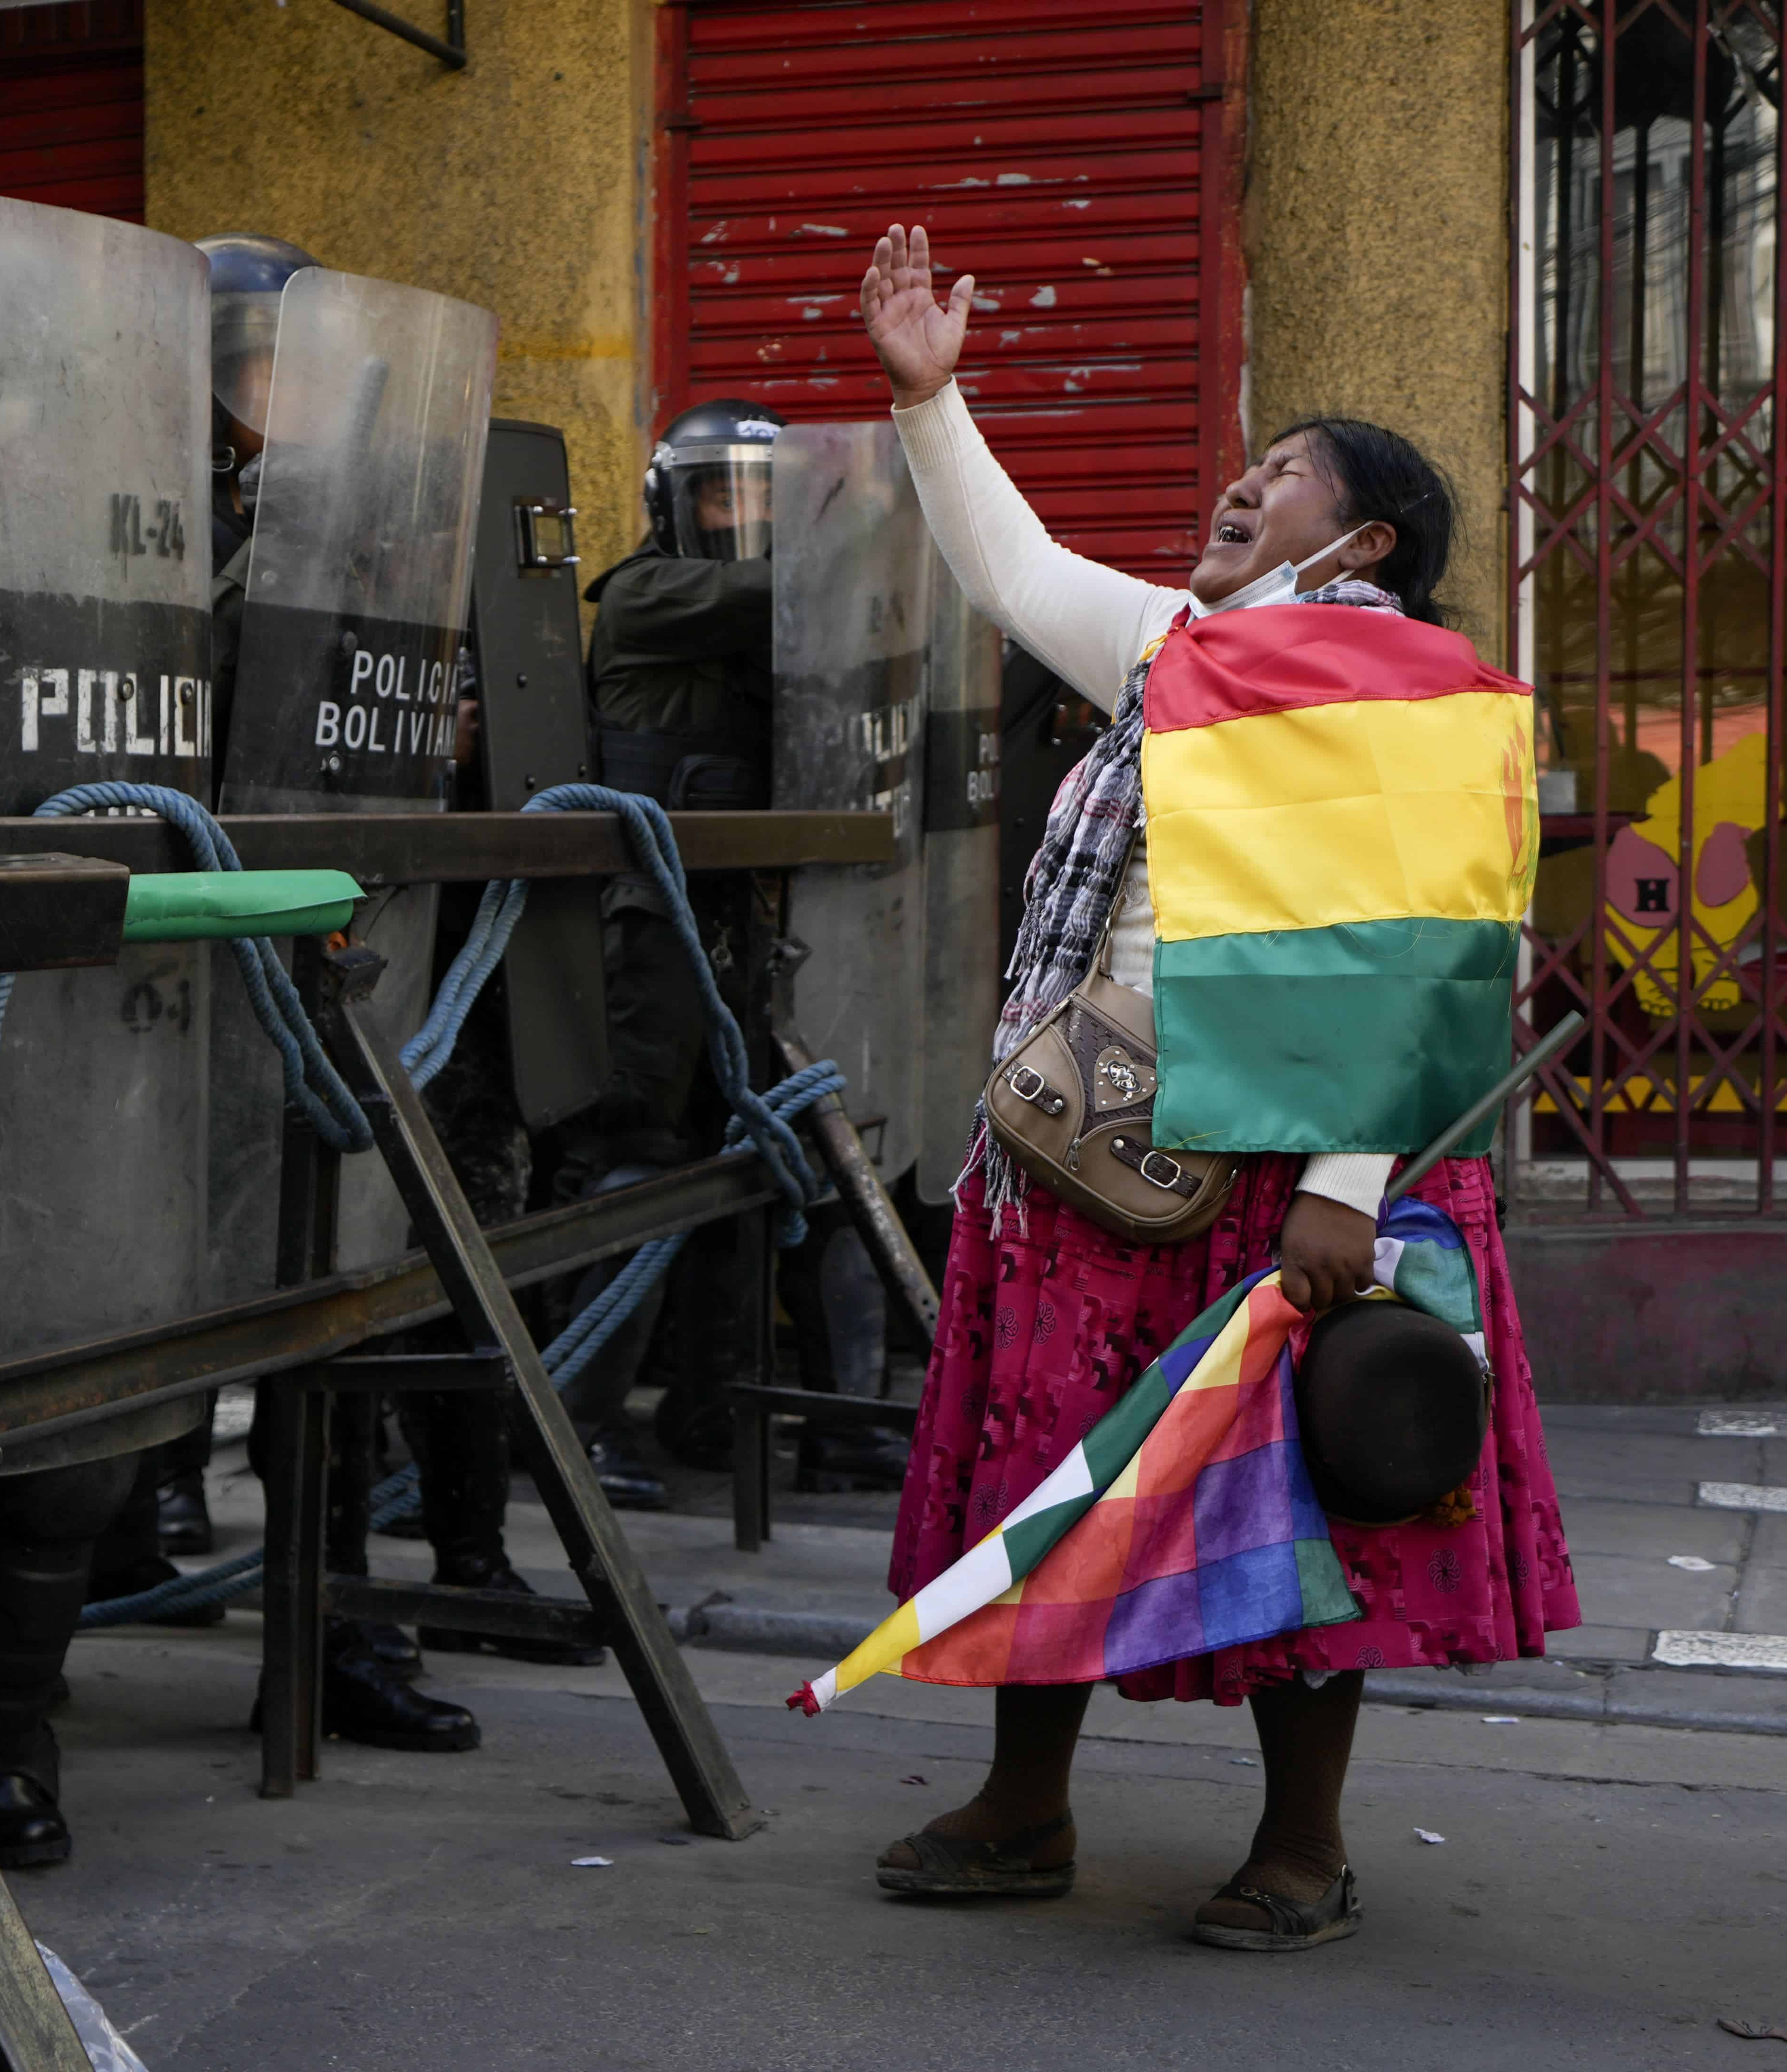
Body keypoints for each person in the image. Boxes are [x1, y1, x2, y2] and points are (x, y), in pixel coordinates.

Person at [855, 223, 1579, 1948]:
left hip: (1302, 1174)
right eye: (1244, 466)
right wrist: (929, 400)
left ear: (1368, 539)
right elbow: (1018, 574)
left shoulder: (1421, 695)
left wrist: (1346, 1176)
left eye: (1283, 475)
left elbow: (1424, 956)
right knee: (1065, 1474)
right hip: (1109, 1139)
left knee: (1307, 1493)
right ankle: (1027, 1807)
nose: (1238, 485)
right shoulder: (1182, 647)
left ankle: (1306, 1846)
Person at [569, 400, 906, 1492]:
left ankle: (796, 1421)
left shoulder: (795, 616)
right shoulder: (647, 593)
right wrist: (879, 530)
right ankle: (583, 1423)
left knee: (795, 1152)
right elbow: (793, 590)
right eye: (722, 495)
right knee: (636, 1161)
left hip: (768, 921)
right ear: (672, 505)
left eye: (765, 501)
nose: (743, 521)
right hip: (654, 922)